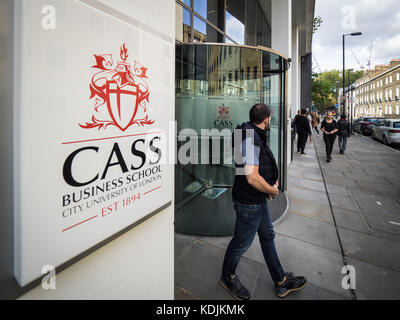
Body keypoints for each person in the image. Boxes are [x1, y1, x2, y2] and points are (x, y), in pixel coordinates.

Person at [220, 104, 307, 300]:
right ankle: (227, 277)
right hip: (249, 203)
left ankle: (281, 281)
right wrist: (272, 190)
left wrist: (267, 183)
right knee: (240, 243)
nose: (271, 121)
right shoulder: (250, 140)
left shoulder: (252, 133)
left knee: (267, 237)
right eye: (270, 118)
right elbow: (251, 177)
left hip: (256, 200)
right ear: (266, 119)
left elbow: (254, 170)